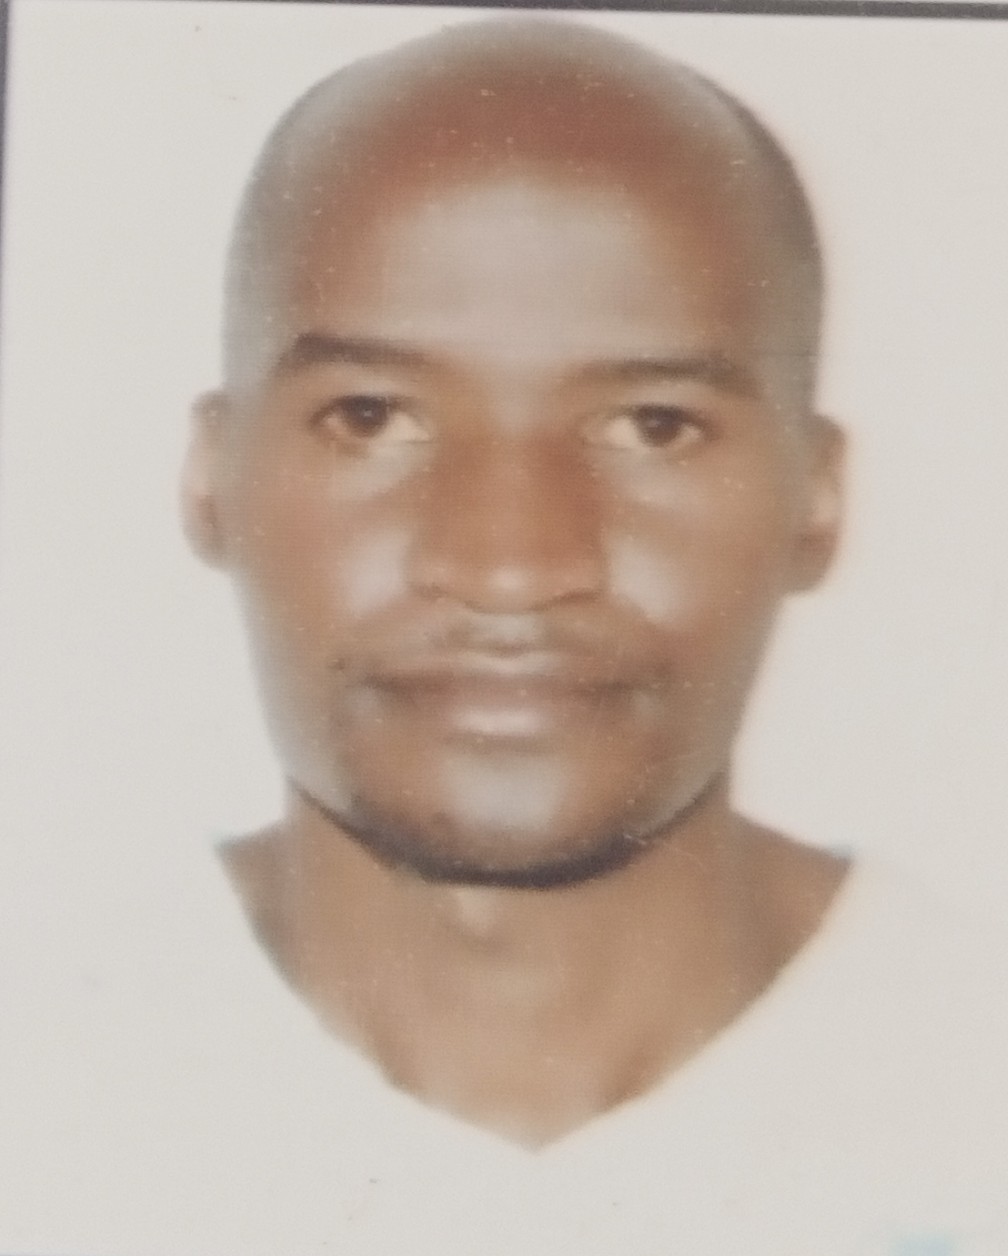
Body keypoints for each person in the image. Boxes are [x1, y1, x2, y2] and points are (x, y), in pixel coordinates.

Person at [4, 17, 1005, 1256]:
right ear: (213, 479)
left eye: (652, 425)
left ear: (817, 497)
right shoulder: (41, 1103)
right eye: (372, 417)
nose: (510, 567)